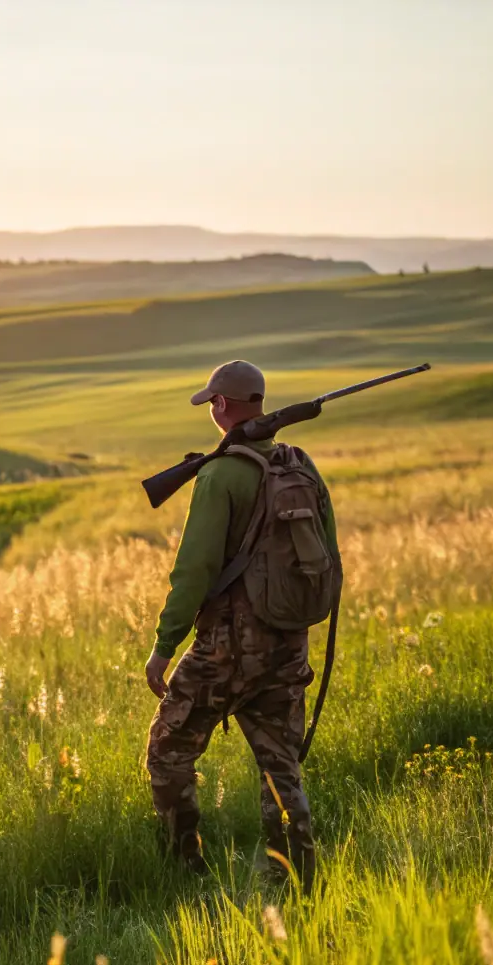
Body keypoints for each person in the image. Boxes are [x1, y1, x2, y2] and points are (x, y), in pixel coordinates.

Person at [144, 360, 339, 892]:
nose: (212, 409)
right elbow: (331, 557)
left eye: (212, 402)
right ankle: (293, 878)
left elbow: (194, 570)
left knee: (168, 749)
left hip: (227, 649)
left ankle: (184, 868)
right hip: (288, 643)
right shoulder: (300, 466)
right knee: (281, 767)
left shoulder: (220, 475)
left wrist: (164, 647)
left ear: (223, 406)